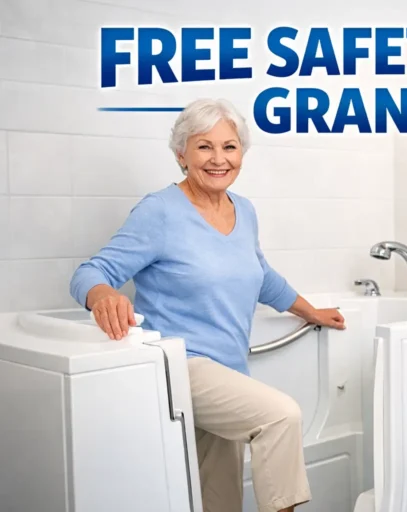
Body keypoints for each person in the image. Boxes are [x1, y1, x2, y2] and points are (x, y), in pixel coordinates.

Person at [70, 98, 346, 512]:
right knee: (280, 416)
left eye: (229, 147)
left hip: (228, 368)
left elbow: (261, 275)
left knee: (220, 499)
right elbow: (89, 273)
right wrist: (103, 294)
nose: (219, 159)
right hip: (181, 365)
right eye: (204, 147)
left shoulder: (245, 210)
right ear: (181, 153)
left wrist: (310, 312)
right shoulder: (159, 211)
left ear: (242, 153)